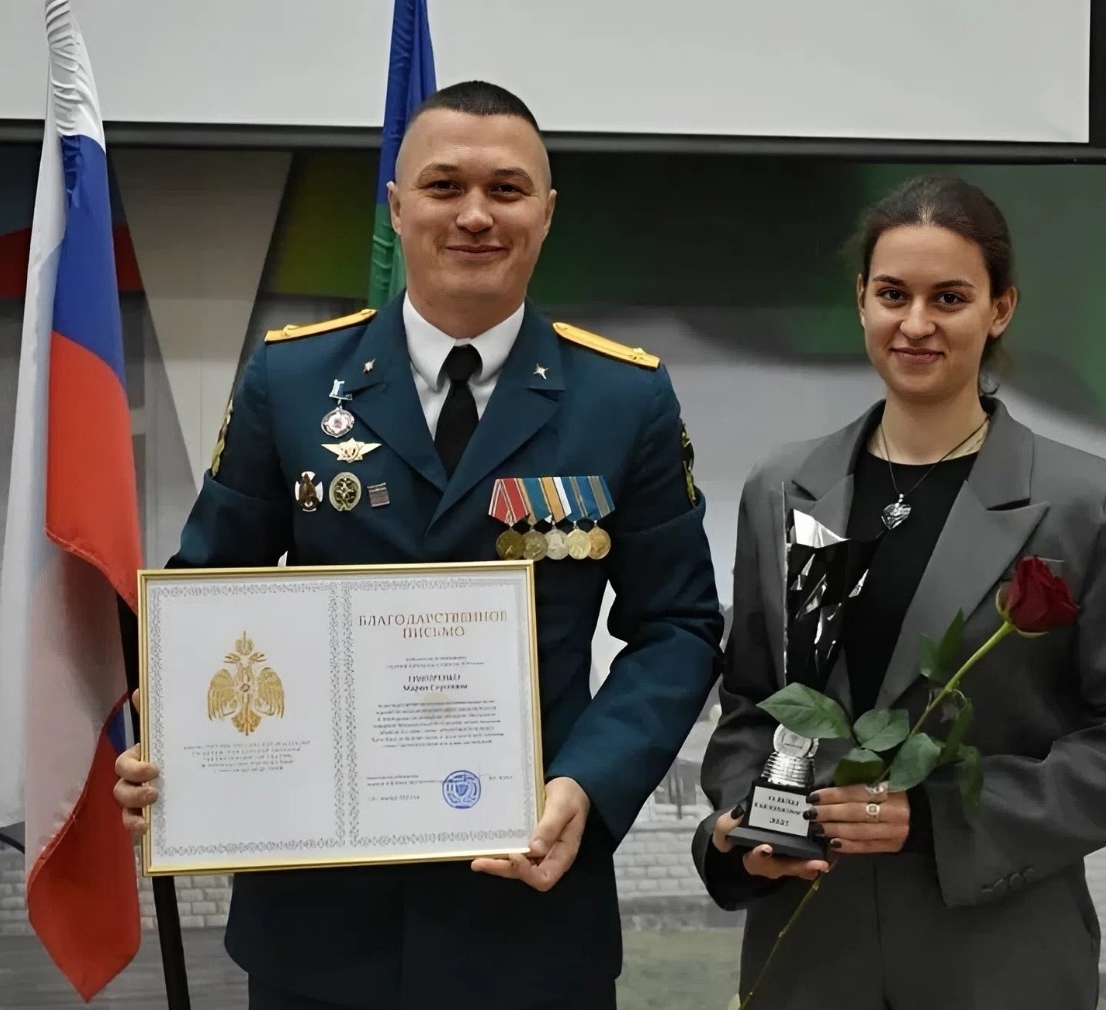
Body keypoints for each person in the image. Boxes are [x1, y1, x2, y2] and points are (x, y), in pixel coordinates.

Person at [113, 81, 723, 1010]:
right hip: (316, 918)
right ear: (396, 207)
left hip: (527, 905)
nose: (475, 214)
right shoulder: (292, 379)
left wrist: (589, 786)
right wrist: (170, 748)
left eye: (507, 190)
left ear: (546, 214)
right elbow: (205, 599)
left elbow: (676, 625)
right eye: (443, 186)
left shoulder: (623, 399)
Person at [691, 175, 1106, 1009]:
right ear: (861, 300)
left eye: (948, 297)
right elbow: (753, 699)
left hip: (995, 955)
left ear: (999, 308)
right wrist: (745, 822)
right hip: (811, 948)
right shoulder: (784, 487)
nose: (915, 323)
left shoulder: (1080, 501)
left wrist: (936, 818)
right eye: (892, 294)